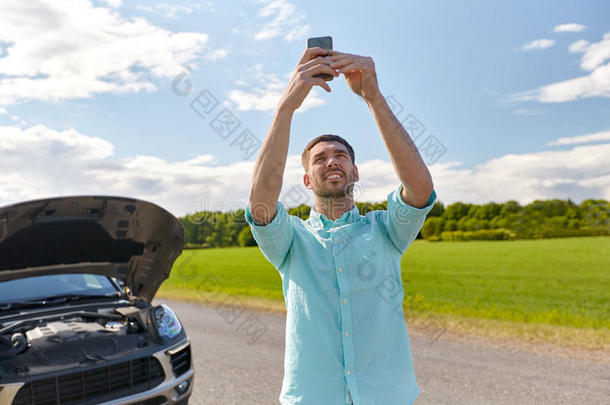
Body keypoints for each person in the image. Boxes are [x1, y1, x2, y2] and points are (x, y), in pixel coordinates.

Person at [244, 46, 437, 405]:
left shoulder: (386, 231)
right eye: (320, 158)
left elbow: (420, 189)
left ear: (355, 171)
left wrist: (372, 97)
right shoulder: (291, 241)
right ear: (305, 179)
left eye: (341, 155)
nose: (331, 161)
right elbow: (260, 202)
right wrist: (287, 106)